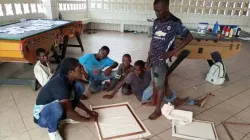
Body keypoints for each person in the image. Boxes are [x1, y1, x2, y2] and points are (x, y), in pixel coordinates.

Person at [145, 0, 194, 120]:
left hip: (162, 60)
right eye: (155, 10)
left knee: (160, 85)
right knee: (155, 82)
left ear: (166, 7)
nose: (156, 13)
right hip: (153, 58)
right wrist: (148, 58)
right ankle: (153, 101)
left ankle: (157, 110)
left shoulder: (175, 22)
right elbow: (153, 40)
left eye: (159, 10)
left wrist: (172, 52)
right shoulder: (156, 21)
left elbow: (189, 37)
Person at [33, 57, 98, 140]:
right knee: (57, 108)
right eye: (79, 69)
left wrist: (88, 112)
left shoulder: (69, 78)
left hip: (54, 105)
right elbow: (69, 112)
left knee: (79, 87)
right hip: (42, 116)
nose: (82, 70)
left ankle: (62, 118)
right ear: (70, 72)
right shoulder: (60, 84)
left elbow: (74, 100)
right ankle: (52, 131)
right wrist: (88, 120)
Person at [103, 60, 209, 107]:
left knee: (164, 92)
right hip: (143, 97)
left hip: (152, 94)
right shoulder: (131, 76)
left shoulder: (148, 72)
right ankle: (176, 99)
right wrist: (112, 95)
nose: (137, 72)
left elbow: (162, 75)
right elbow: (120, 83)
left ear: (144, 69)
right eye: (135, 70)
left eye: (139, 70)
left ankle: (196, 103)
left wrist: (165, 86)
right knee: (156, 84)